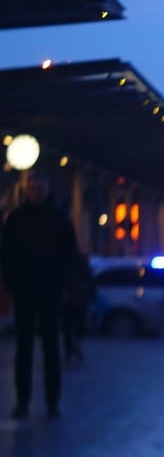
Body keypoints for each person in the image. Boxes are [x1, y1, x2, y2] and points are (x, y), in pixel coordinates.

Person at [0, 171, 77, 418]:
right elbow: (6, 255)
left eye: (39, 188)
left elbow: (70, 257)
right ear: (26, 190)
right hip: (26, 291)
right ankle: (24, 401)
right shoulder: (16, 220)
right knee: (25, 348)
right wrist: (12, 283)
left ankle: (51, 400)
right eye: (32, 188)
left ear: (47, 189)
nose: (36, 193)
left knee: (50, 348)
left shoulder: (58, 220)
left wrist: (65, 286)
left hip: (48, 292)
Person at [61, 249, 96, 365]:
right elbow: (89, 278)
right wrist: (92, 294)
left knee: (67, 326)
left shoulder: (62, 259)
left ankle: (70, 349)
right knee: (77, 324)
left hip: (68, 299)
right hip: (78, 298)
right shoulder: (80, 259)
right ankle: (73, 345)